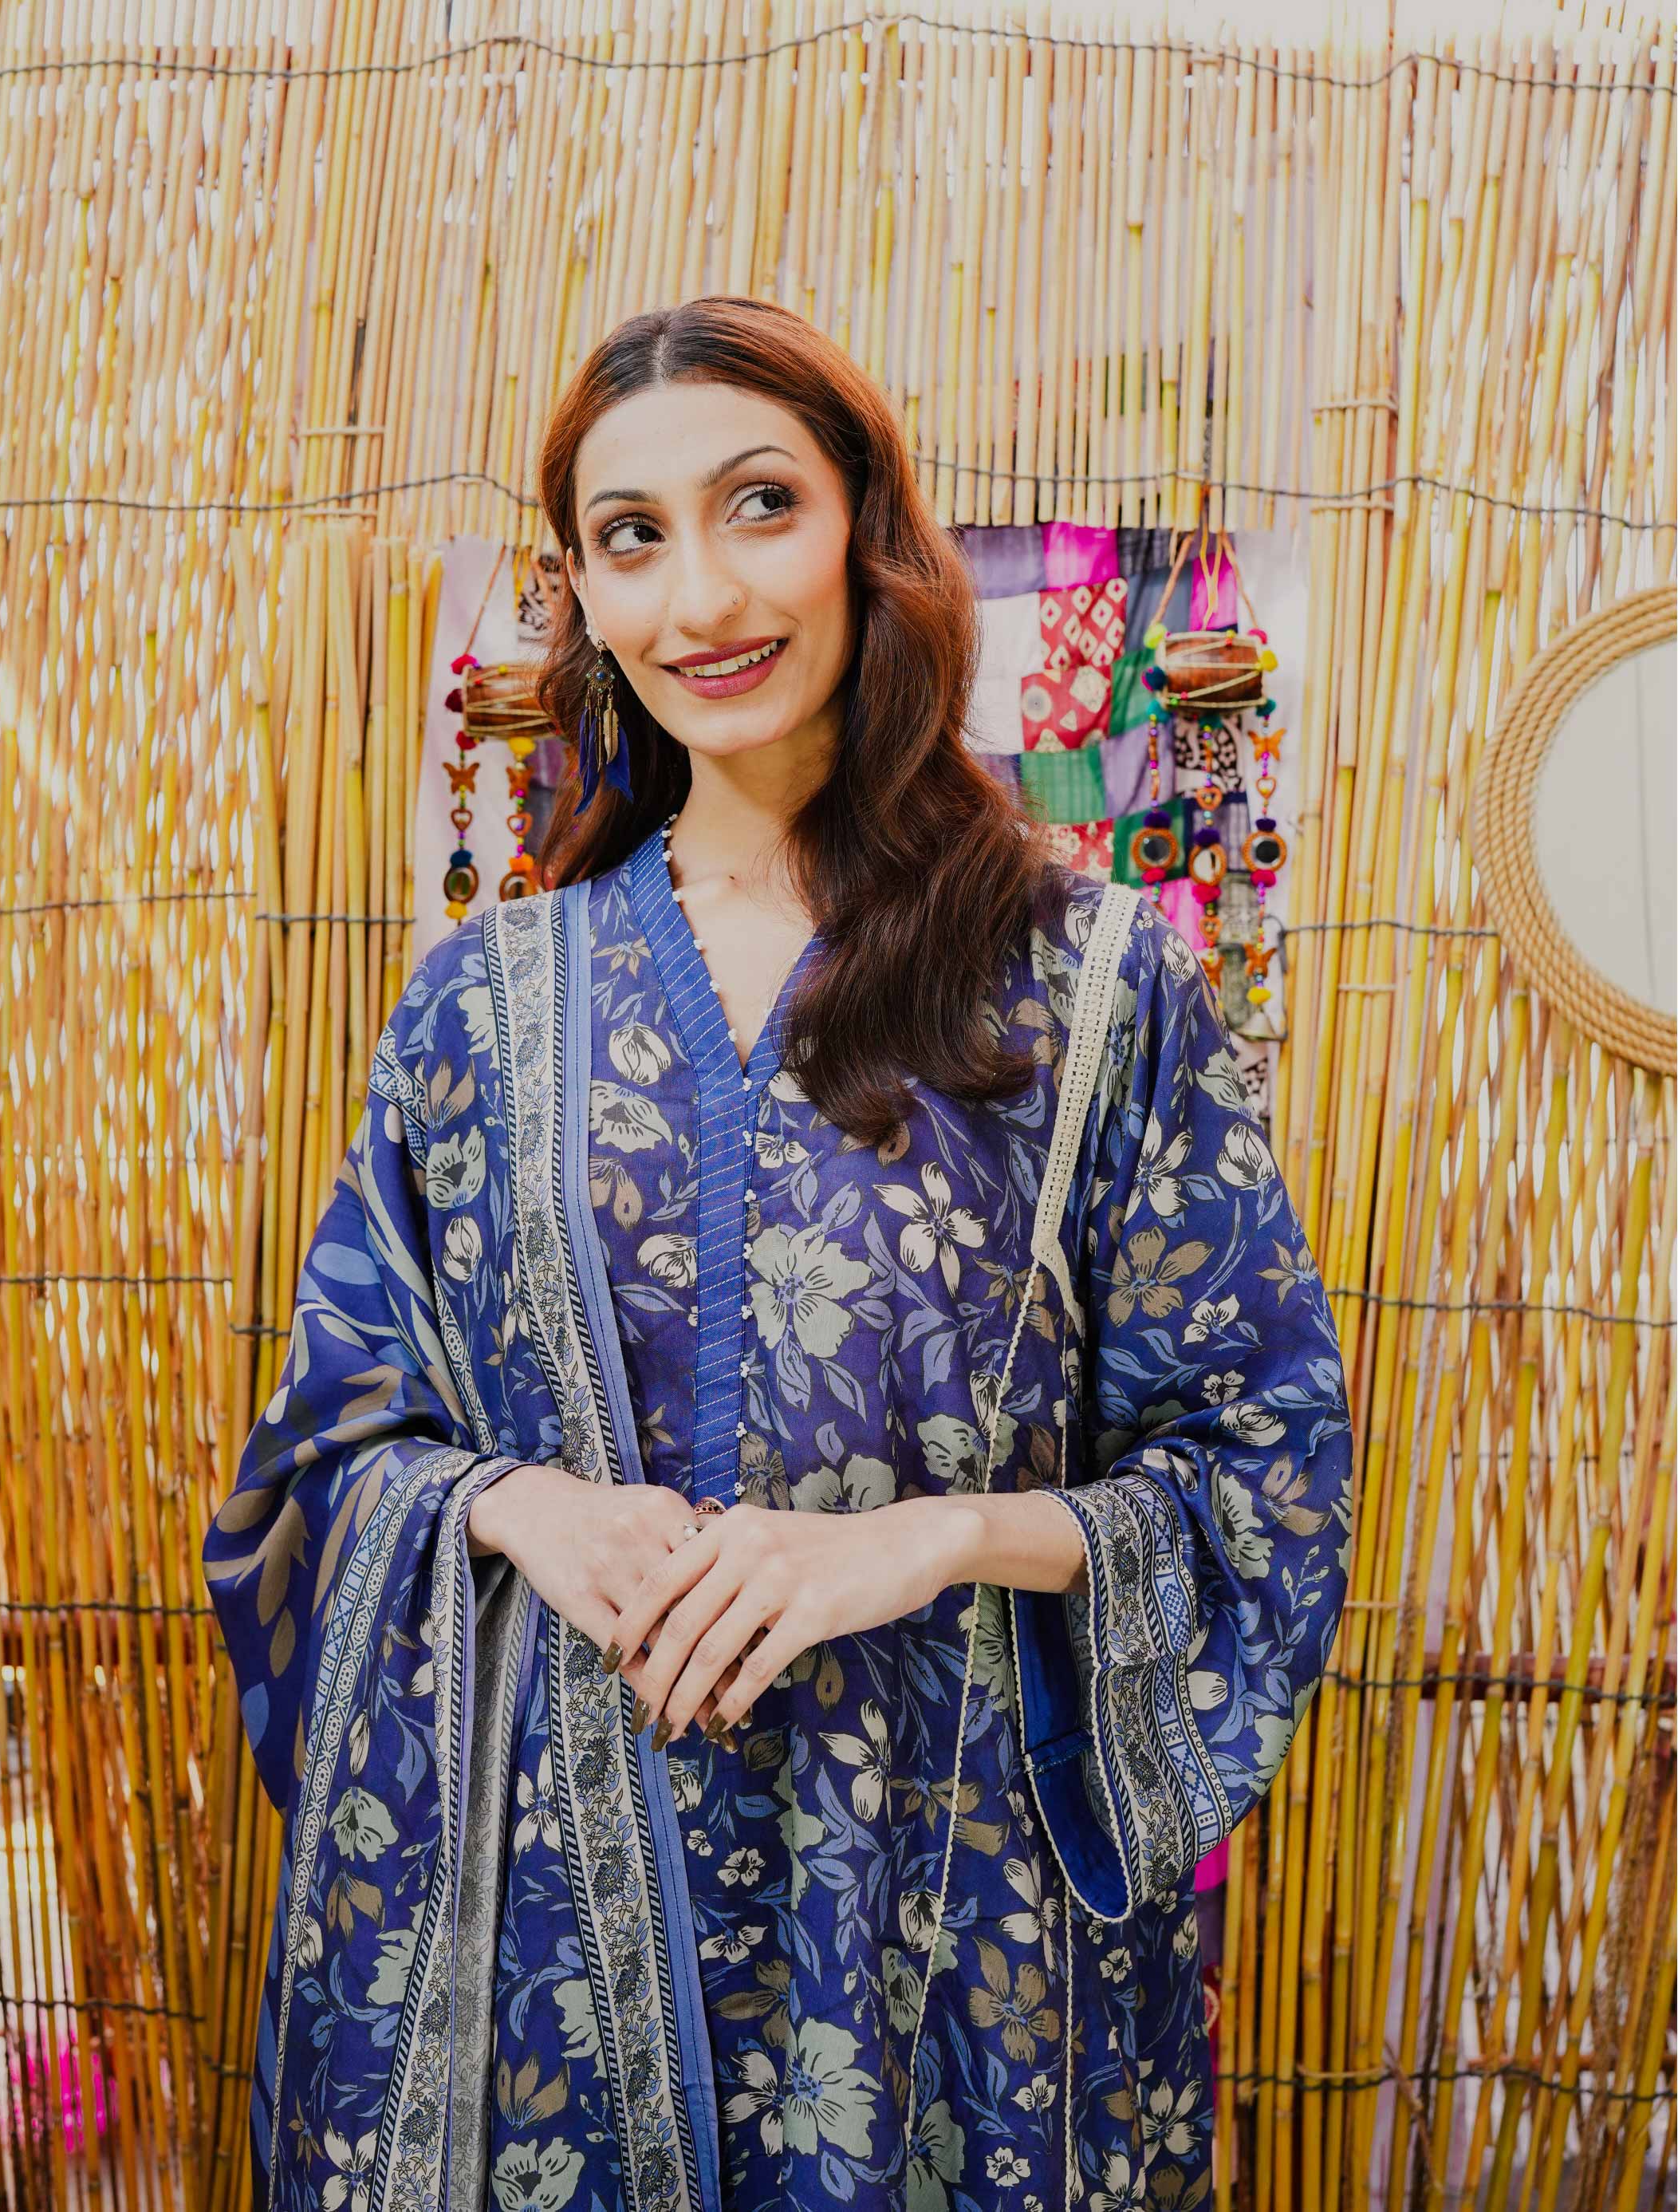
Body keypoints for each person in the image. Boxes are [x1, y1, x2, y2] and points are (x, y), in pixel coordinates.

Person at [203, 294, 1353, 2212]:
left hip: (953, 1950)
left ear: (866, 534)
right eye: (629, 536)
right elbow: (320, 1465)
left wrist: (935, 1535)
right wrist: (500, 1509)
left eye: (759, 505)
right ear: (578, 587)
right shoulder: (483, 1007)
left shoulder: (1085, 985)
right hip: (549, 1951)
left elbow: (1263, 1465)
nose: (700, 595)